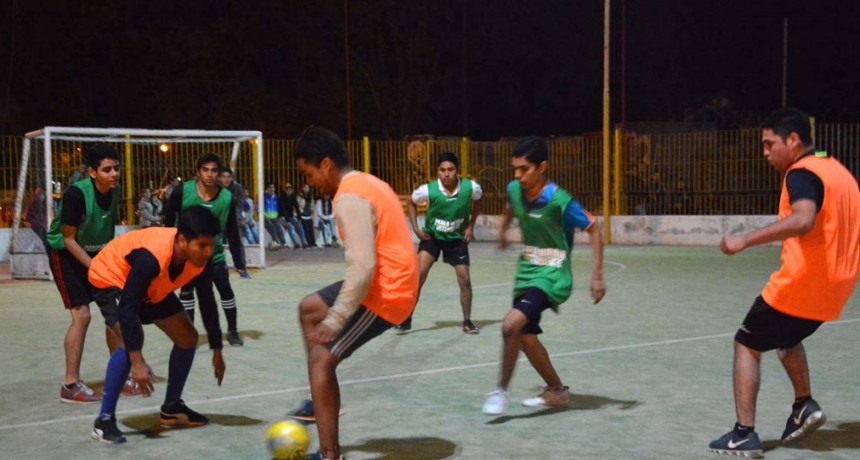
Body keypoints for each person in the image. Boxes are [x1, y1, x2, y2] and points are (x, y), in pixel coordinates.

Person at [708, 108, 860, 458]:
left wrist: (745, 240)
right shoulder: (838, 171)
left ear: (793, 141)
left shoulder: (801, 173)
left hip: (803, 280)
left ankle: (743, 433)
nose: (765, 152)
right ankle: (804, 406)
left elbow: (804, 219)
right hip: (838, 288)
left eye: (769, 144)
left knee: (746, 342)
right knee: (787, 338)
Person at [288, 126, 419, 460]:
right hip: (387, 280)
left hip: (388, 294)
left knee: (321, 359)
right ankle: (321, 398)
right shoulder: (367, 181)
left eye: (310, 172)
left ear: (327, 164)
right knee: (309, 308)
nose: (311, 181)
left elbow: (362, 269)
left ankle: (330, 454)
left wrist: (335, 320)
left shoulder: (349, 198)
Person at [482, 136, 605, 416]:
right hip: (526, 271)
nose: (517, 174)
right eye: (515, 168)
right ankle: (557, 391)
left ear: (542, 168)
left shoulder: (560, 201)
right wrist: (503, 232)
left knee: (509, 325)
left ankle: (500, 390)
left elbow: (594, 228)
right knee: (525, 336)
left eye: (524, 169)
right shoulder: (515, 188)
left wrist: (597, 275)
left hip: (553, 274)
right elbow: (510, 205)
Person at [89, 206, 226, 443]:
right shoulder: (151, 257)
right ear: (182, 240)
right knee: (129, 337)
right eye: (203, 245)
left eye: (211, 245)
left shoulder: (199, 261)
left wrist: (216, 348)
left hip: (151, 286)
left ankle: (172, 408)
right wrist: (137, 360)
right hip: (111, 276)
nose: (208, 251)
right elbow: (128, 306)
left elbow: (207, 301)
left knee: (187, 338)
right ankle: (104, 420)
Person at [46, 143, 123, 404]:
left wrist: (110, 262)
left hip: (97, 254)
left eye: (116, 168)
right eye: (107, 170)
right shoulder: (76, 195)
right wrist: (96, 267)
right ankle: (70, 385)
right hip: (66, 253)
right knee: (82, 314)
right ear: (91, 172)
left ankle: (118, 375)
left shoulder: (115, 191)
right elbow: (68, 239)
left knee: (114, 313)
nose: (114, 174)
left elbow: (107, 228)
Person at [163, 153, 246, 347]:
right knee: (187, 292)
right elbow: (167, 222)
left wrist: (239, 262)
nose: (210, 174)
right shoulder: (182, 192)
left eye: (214, 170)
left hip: (213, 255)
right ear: (198, 172)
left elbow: (232, 231)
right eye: (205, 170)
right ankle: (188, 332)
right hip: (187, 256)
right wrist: (169, 251)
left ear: (219, 173)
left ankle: (232, 331)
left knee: (225, 289)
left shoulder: (226, 198)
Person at [399, 151, 483, 334]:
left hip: (456, 239)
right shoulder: (429, 190)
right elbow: (411, 203)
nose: (446, 174)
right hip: (432, 238)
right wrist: (415, 228)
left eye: (451, 170)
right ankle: (406, 317)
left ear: (457, 171)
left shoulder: (470, 188)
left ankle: (467, 322)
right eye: (442, 170)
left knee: (465, 280)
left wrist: (470, 226)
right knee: (418, 277)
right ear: (437, 171)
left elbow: (479, 200)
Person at [219, 168, 251, 278]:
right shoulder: (215, 187)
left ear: (232, 178)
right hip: (218, 218)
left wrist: (238, 219)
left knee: (237, 245)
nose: (226, 179)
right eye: (224, 177)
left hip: (232, 219)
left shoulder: (237, 188)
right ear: (220, 178)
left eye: (228, 177)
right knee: (214, 244)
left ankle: (241, 268)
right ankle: (216, 267)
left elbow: (239, 205)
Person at [278, 182, 308, 249]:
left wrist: (299, 219)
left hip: (290, 216)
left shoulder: (292, 196)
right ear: (285, 190)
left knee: (300, 226)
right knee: (290, 227)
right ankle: (296, 244)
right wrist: (287, 221)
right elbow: (283, 210)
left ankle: (304, 243)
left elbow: (297, 207)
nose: (289, 191)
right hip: (282, 217)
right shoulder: (282, 198)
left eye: (290, 189)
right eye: (287, 190)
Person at [264, 183, 287, 250]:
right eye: (271, 187)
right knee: (272, 227)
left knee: (279, 228)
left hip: (274, 218)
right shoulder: (263, 197)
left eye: (273, 188)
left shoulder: (276, 198)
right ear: (267, 189)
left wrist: (279, 217)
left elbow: (278, 208)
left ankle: (284, 243)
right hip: (265, 218)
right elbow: (258, 208)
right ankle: (277, 243)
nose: (272, 189)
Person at [297, 183, 317, 247]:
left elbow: (312, 205)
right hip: (303, 215)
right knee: (306, 230)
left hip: (309, 215)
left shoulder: (310, 196)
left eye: (307, 188)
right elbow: (297, 206)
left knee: (311, 230)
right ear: (302, 188)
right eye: (305, 187)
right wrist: (301, 211)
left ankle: (313, 243)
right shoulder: (299, 196)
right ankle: (309, 243)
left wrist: (312, 211)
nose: (306, 189)